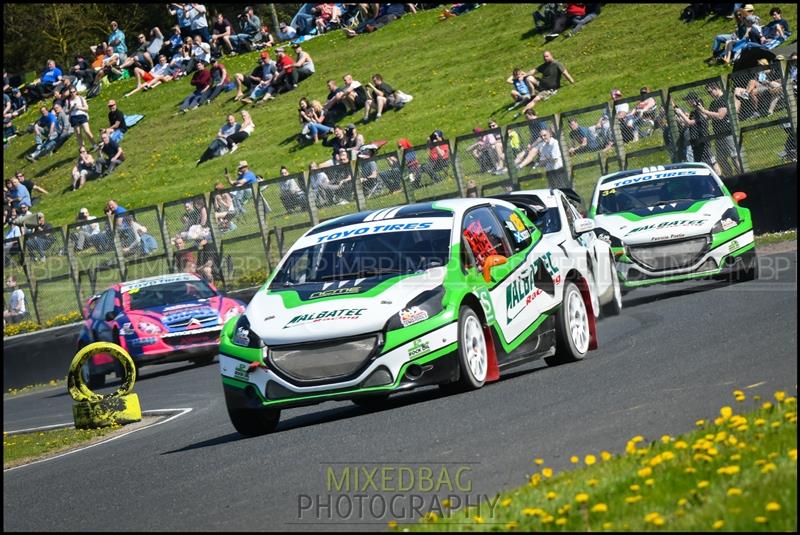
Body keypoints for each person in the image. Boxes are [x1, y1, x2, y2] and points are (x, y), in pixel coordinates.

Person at [672, 92, 723, 176]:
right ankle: (713, 177)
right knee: (704, 163)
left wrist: (681, 113)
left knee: (711, 161)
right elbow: (687, 122)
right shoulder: (693, 112)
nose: (687, 102)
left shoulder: (700, 110)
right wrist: (680, 115)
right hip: (696, 142)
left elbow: (690, 122)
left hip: (703, 141)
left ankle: (720, 177)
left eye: (688, 100)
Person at [700, 83, 742, 176]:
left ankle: (741, 175)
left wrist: (704, 111)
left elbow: (720, 116)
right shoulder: (714, 103)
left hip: (728, 133)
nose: (709, 94)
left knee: (734, 156)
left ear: (715, 87)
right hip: (718, 135)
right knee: (721, 159)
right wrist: (700, 109)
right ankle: (730, 178)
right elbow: (708, 116)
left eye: (710, 91)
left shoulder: (724, 99)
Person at [66, 86, 96, 150]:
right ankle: (82, 149)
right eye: (71, 92)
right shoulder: (68, 101)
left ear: (76, 92)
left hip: (82, 115)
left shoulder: (81, 98)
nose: (72, 93)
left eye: (74, 92)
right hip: (74, 117)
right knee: (78, 134)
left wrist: (79, 107)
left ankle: (94, 145)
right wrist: (71, 108)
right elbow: (67, 112)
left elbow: (87, 108)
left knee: (87, 131)